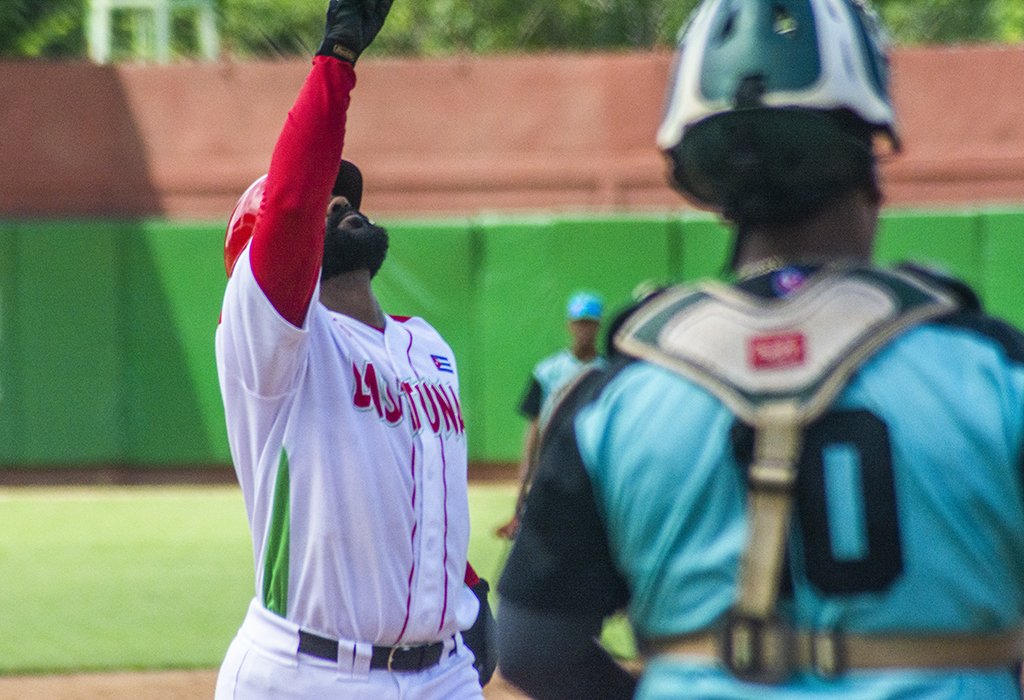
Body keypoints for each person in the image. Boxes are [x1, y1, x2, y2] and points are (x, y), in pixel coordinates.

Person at [495, 1, 1024, 700]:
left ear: (705, 179)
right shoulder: (992, 370)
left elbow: (532, 651)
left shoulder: (615, 397)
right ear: (869, 164)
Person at [213, 1, 494, 698]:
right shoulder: (272, 348)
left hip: (443, 674)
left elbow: (414, 486)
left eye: (347, 197)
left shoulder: (427, 347)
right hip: (308, 674)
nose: (341, 204)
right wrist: (336, 60)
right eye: (325, 204)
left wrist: (462, 586)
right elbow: (289, 206)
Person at [495, 291, 607, 540]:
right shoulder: (547, 371)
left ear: (599, 326)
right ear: (569, 325)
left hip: (593, 458)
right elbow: (534, 422)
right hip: (554, 455)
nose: (583, 330)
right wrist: (527, 463)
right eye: (579, 323)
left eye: (589, 323)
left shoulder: (608, 371)